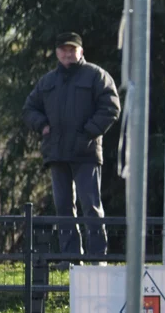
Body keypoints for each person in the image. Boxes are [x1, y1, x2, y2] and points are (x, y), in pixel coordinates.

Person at [23, 32, 121, 261]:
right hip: (57, 154)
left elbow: (111, 107)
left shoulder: (96, 76)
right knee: (64, 210)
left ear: (81, 51)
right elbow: (29, 109)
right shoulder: (47, 81)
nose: (68, 53)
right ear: (57, 53)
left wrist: (88, 132)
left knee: (91, 208)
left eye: (72, 49)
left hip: (86, 152)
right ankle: (70, 260)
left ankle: (98, 258)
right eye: (64, 49)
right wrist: (43, 126)